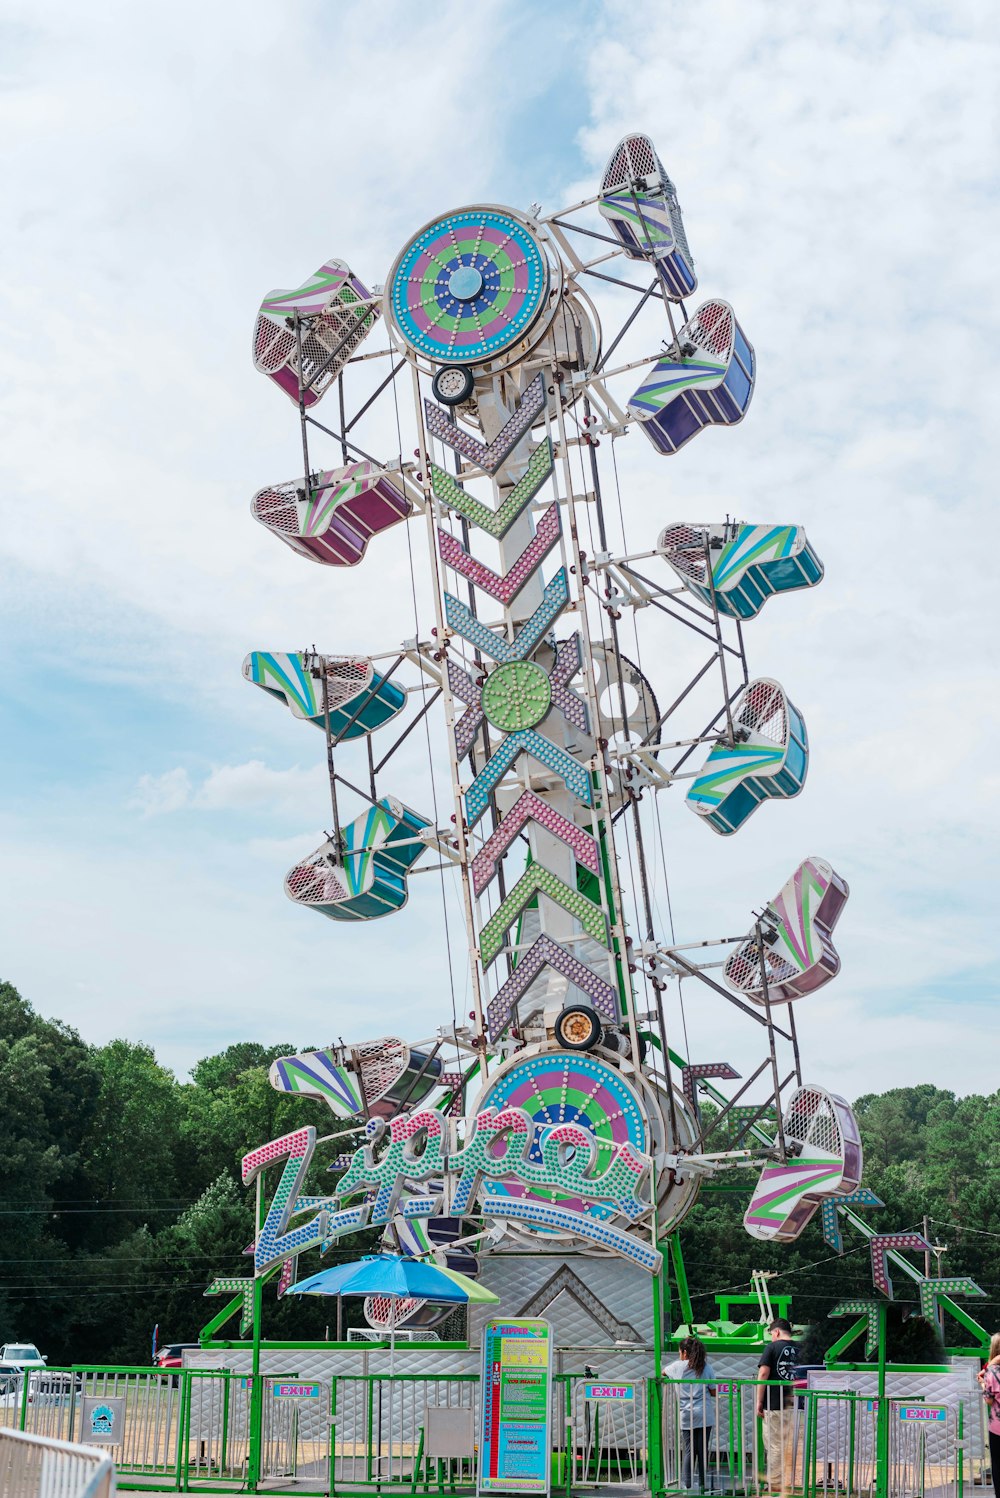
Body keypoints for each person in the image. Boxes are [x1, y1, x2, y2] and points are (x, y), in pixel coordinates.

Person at [665, 1335, 717, 1491]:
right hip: (704, 1413)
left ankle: (687, 1485)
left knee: (689, 1450)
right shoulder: (706, 1367)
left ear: (685, 1352)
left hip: (686, 1414)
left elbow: (662, 1373)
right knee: (702, 1450)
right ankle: (702, 1484)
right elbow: (713, 1391)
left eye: (680, 1352)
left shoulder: (676, 1367)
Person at [756, 1318, 800, 1497]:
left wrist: (759, 1400)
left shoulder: (772, 1348)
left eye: (771, 1335)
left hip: (774, 1403)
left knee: (774, 1445)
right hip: (797, 1404)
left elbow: (764, 1373)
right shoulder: (801, 1348)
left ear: (776, 1332)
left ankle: (774, 1485)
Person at [978, 1331, 1000, 1498]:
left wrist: (983, 1383)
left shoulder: (992, 1371)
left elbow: (989, 1400)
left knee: (998, 1468)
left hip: (998, 1429)